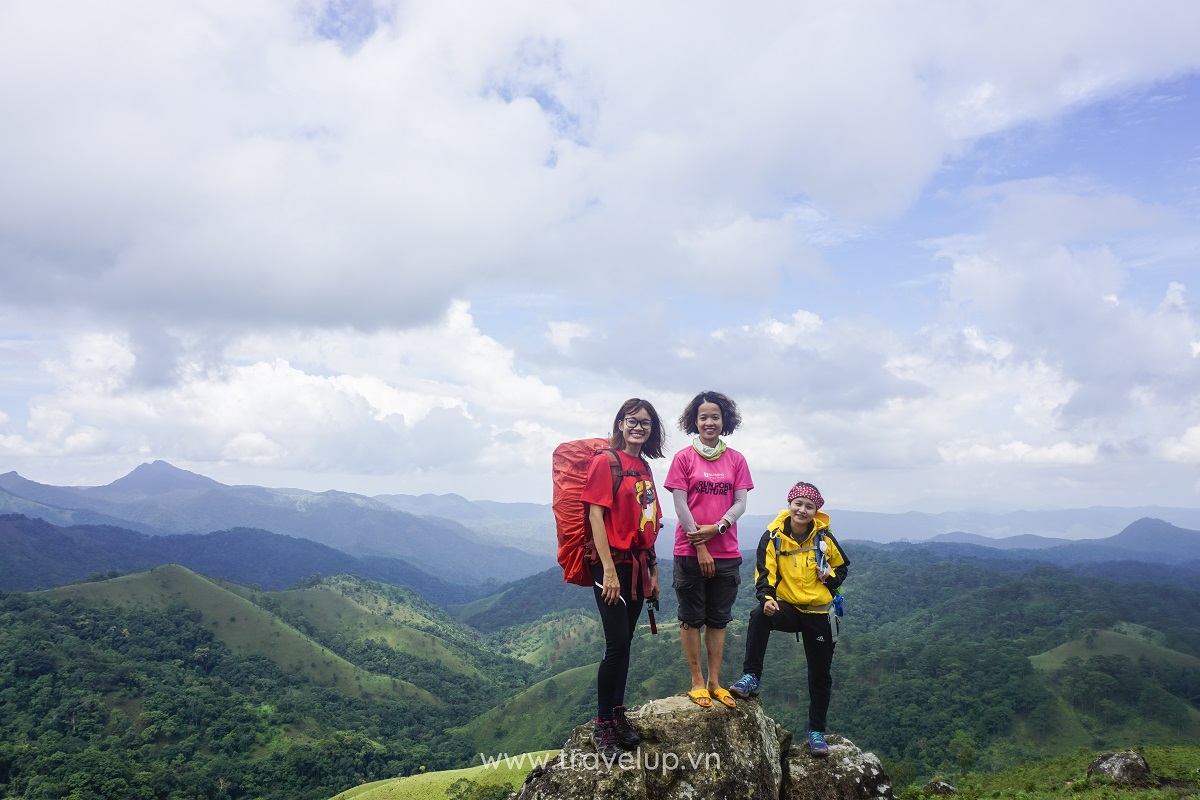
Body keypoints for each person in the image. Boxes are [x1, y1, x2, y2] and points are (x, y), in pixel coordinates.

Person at [729, 481, 849, 757]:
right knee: (759, 615)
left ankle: (816, 732)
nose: (802, 510)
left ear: (816, 510)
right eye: (798, 504)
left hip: (819, 613)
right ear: (790, 504)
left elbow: (842, 570)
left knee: (820, 675)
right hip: (790, 609)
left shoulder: (825, 539)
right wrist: (767, 598)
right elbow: (764, 572)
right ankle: (751, 676)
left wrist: (828, 576)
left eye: (809, 506)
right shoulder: (773, 537)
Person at [582, 398, 664, 760]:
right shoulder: (606, 461)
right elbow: (595, 517)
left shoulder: (644, 467)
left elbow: (649, 522)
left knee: (626, 641)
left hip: (637, 565)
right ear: (620, 423)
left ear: (651, 431)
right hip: (610, 565)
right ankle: (602, 725)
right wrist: (609, 570)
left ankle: (617, 712)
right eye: (632, 421)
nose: (638, 427)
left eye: (645, 423)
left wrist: (653, 571)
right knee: (616, 643)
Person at [664, 391, 753, 710]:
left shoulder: (736, 459)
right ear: (694, 421)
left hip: (727, 551)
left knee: (718, 619)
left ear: (724, 420)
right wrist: (700, 544)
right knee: (691, 618)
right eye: (703, 417)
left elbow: (740, 502)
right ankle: (697, 682)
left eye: (715, 416)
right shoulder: (684, 459)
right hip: (689, 552)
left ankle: (715, 681)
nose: (709, 422)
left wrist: (719, 527)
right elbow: (679, 503)